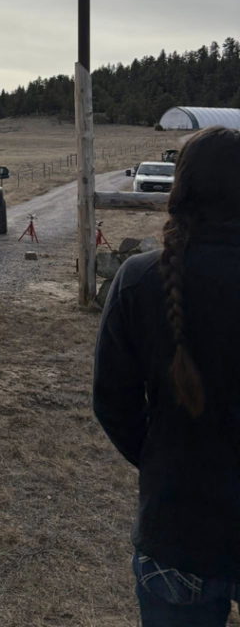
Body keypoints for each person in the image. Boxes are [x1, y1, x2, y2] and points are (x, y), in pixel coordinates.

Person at [93, 126, 240, 625]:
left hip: (176, 526)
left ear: (180, 189)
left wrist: (159, 458)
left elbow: (111, 401)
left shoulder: (137, 279)